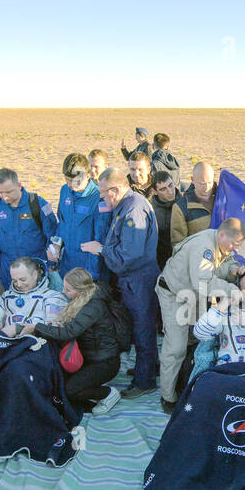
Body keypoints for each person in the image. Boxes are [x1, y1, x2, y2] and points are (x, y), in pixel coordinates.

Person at [155, 219, 245, 412]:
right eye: (234, 244)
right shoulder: (202, 246)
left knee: (197, 341)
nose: (235, 249)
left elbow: (226, 261)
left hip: (192, 295)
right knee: (176, 347)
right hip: (174, 295)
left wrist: (234, 270)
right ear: (222, 235)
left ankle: (185, 383)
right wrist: (233, 289)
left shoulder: (220, 241)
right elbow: (203, 283)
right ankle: (168, 397)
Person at [91, 168, 159, 398]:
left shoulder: (133, 211)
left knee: (143, 329)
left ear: (116, 190)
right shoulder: (127, 205)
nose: (102, 198)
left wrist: (101, 250)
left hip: (138, 280)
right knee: (142, 327)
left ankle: (144, 381)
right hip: (134, 280)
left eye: (103, 193)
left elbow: (129, 255)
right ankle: (147, 367)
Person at [27, 267, 123, 413]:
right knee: (61, 384)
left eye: (68, 290)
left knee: (70, 390)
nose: (64, 293)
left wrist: (36, 328)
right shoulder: (84, 300)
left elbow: (68, 332)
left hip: (105, 361)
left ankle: (107, 393)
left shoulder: (94, 306)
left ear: (81, 289)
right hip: (89, 356)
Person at [0, 168, 57, 288]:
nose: (4, 197)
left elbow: (53, 235)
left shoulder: (37, 204)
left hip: (35, 266)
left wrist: (51, 264)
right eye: (0, 192)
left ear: (19, 185)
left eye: (8, 192)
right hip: (7, 267)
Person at [0, 257, 68, 332]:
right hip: (7, 344)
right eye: (14, 280)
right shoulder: (5, 298)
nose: (19, 284)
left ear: (35, 275)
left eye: (23, 279)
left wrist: (18, 329)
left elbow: (54, 328)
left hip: (38, 344)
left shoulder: (54, 298)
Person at [149, 171, 185, 270]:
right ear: (155, 191)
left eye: (170, 185)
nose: (170, 191)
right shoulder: (150, 212)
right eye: (163, 189)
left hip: (186, 259)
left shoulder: (186, 203)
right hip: (163, 264)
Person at [174, 162, 217, 243]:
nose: (207, 187)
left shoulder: (222, 198)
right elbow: (178, 244)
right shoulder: (180, 207)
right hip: (197, 253)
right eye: (202, 183)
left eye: (210, 182)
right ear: (192, 180)